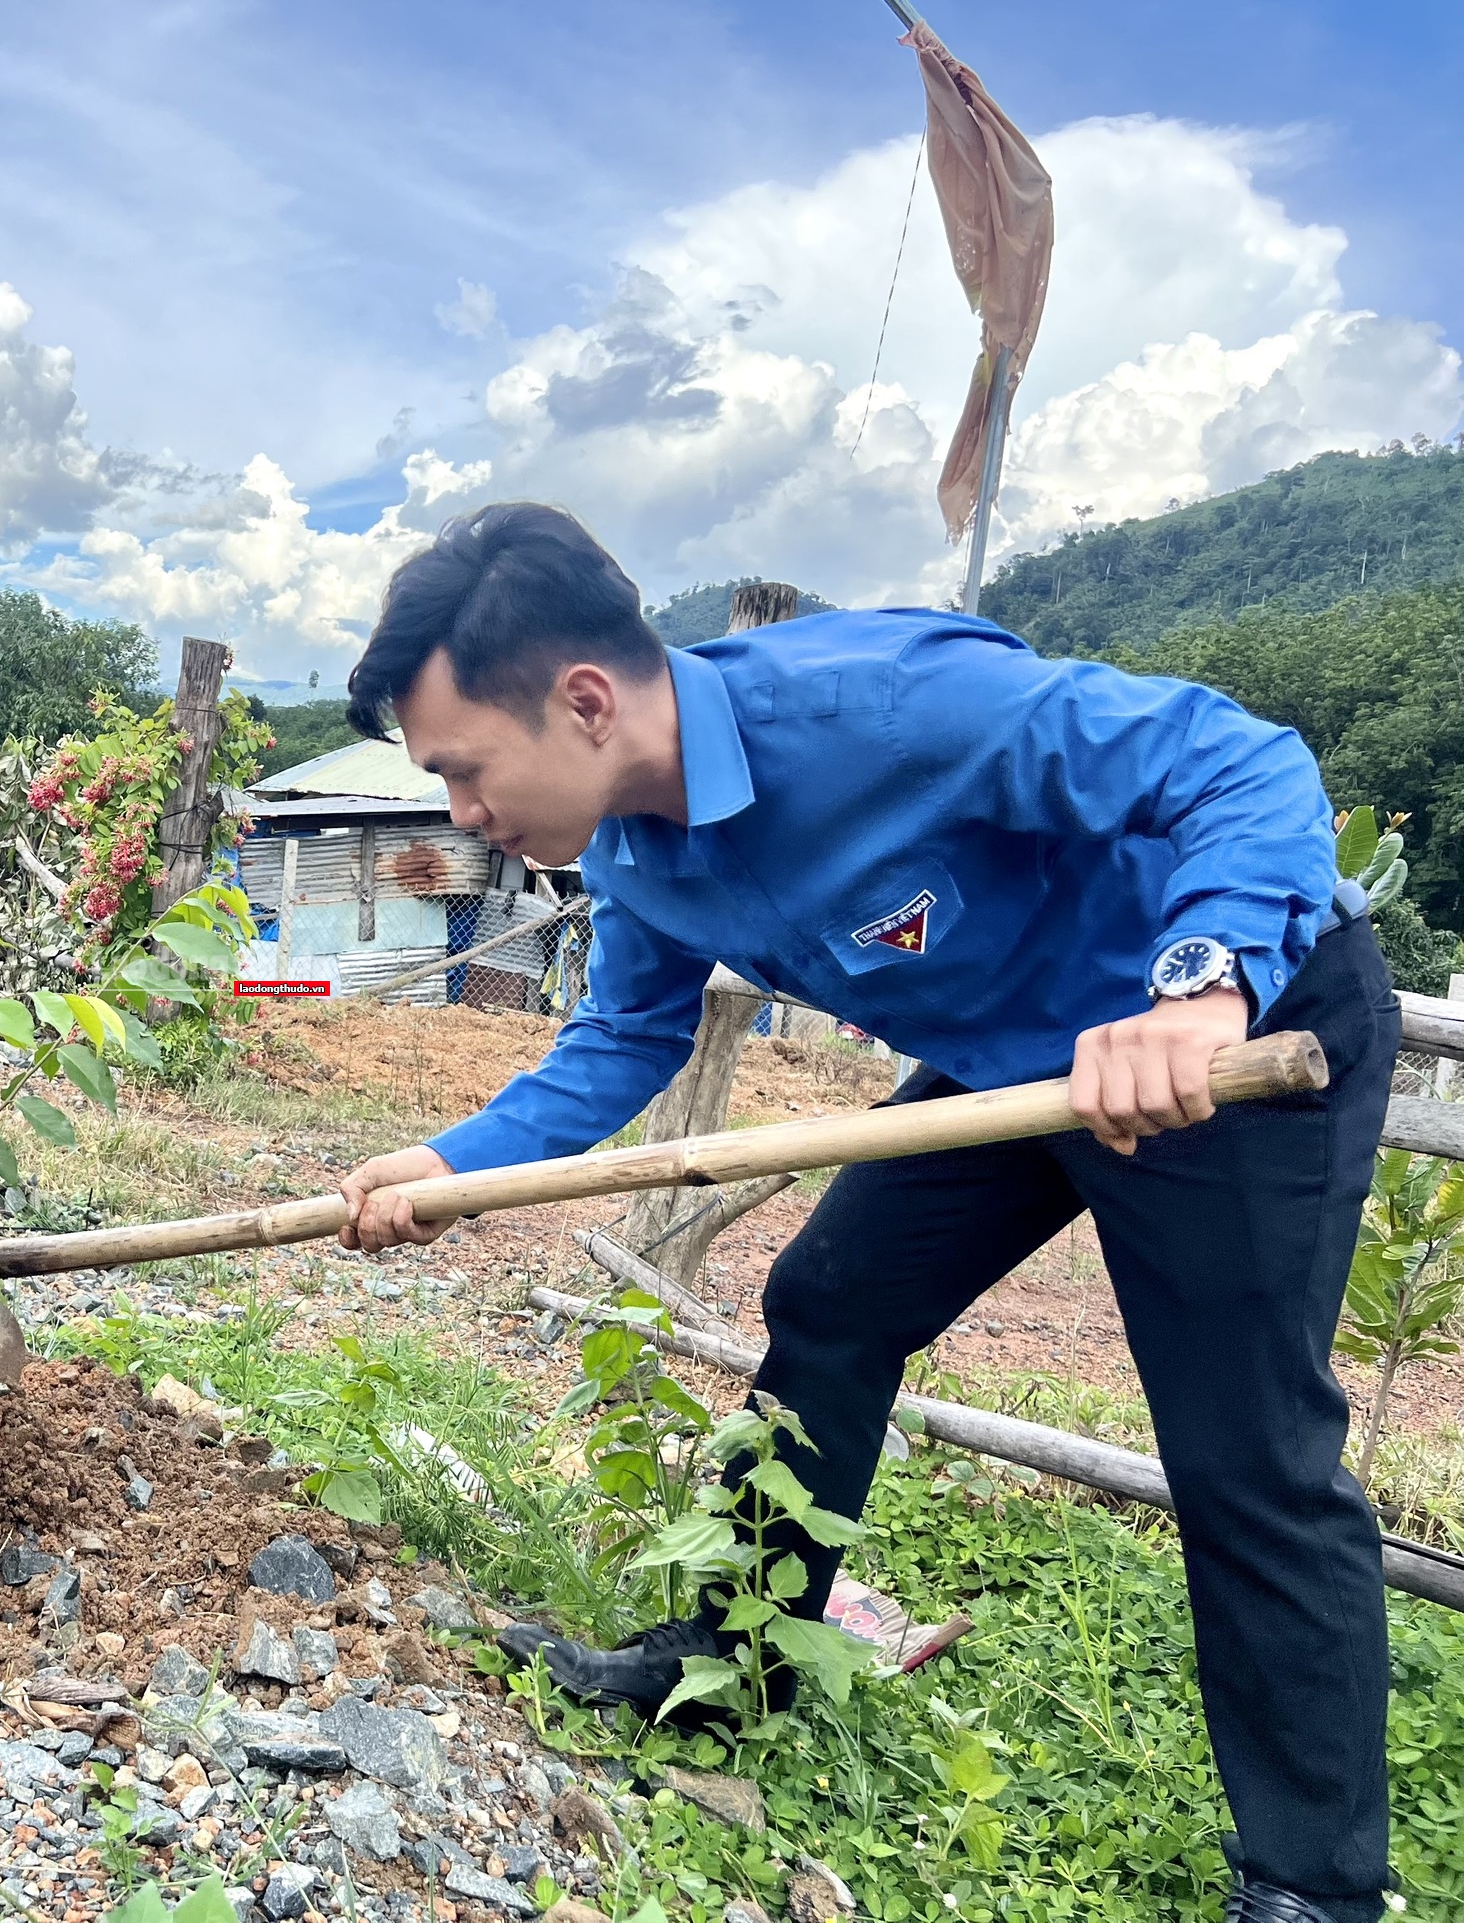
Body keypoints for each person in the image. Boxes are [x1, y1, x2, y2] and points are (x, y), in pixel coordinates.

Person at [331, 504, 1399, 1923]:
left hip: (1231, 1033)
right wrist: (448, 1162)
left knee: (1246, 1440)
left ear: (584, 701)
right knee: (830, 1304)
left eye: (463, 770)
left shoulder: (889, 705)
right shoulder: (634, 845)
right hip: (1016, 1061)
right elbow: (624, 1036)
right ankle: (739, 1657)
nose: (460, 813)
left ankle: (1315, 1886)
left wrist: (1198, 985)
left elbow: (1243, 763)